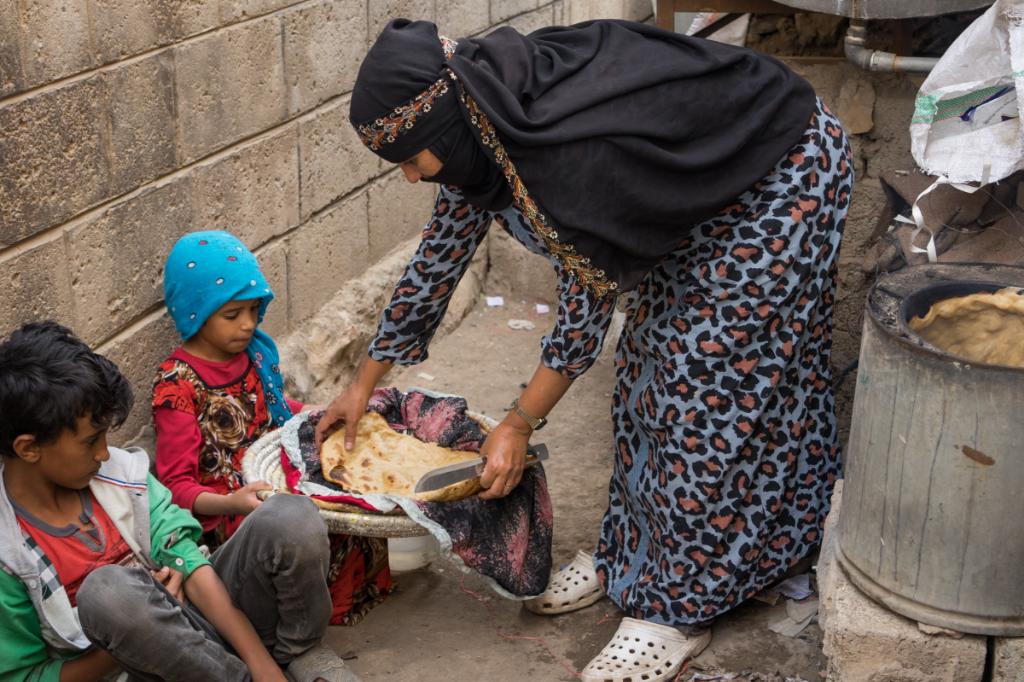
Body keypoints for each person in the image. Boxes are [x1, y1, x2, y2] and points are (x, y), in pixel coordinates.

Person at [319, 18, 852, 682]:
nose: (408, 177)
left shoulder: (562, 152)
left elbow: (582, 319)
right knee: (644, 376)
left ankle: (678, 606)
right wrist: (362, 387)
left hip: (777, 175)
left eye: (409, 158)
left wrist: (518, 423)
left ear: (442, 129)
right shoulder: (484, 126)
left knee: (705, 389)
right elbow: (435, 263)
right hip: (694, 198)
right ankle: (627, 555)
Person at [0, 321, 357, 682]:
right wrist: (130, 633)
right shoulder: (7, 555)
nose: (105, 453)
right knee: (109, 593)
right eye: (91, 441)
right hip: (141, 669)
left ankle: (297, 653)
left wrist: (262, 664)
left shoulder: (120, 475)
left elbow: (190, 564)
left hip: (211, 620)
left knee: (290, 516)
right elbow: (25, 676)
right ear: (29, 448)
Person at [153, 230, 391, 625]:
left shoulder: (252, 356)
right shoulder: (177, 386)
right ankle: (302, 621)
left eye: (253, 310)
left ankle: (348, 601)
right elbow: (176, 488)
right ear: (194, 310)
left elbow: (273, 410)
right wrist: (232, 501)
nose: (248, 325)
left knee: (353, 498)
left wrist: (320, 411)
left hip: (273, 476)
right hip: (233, 509)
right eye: (232, 314)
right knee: (309, 524)